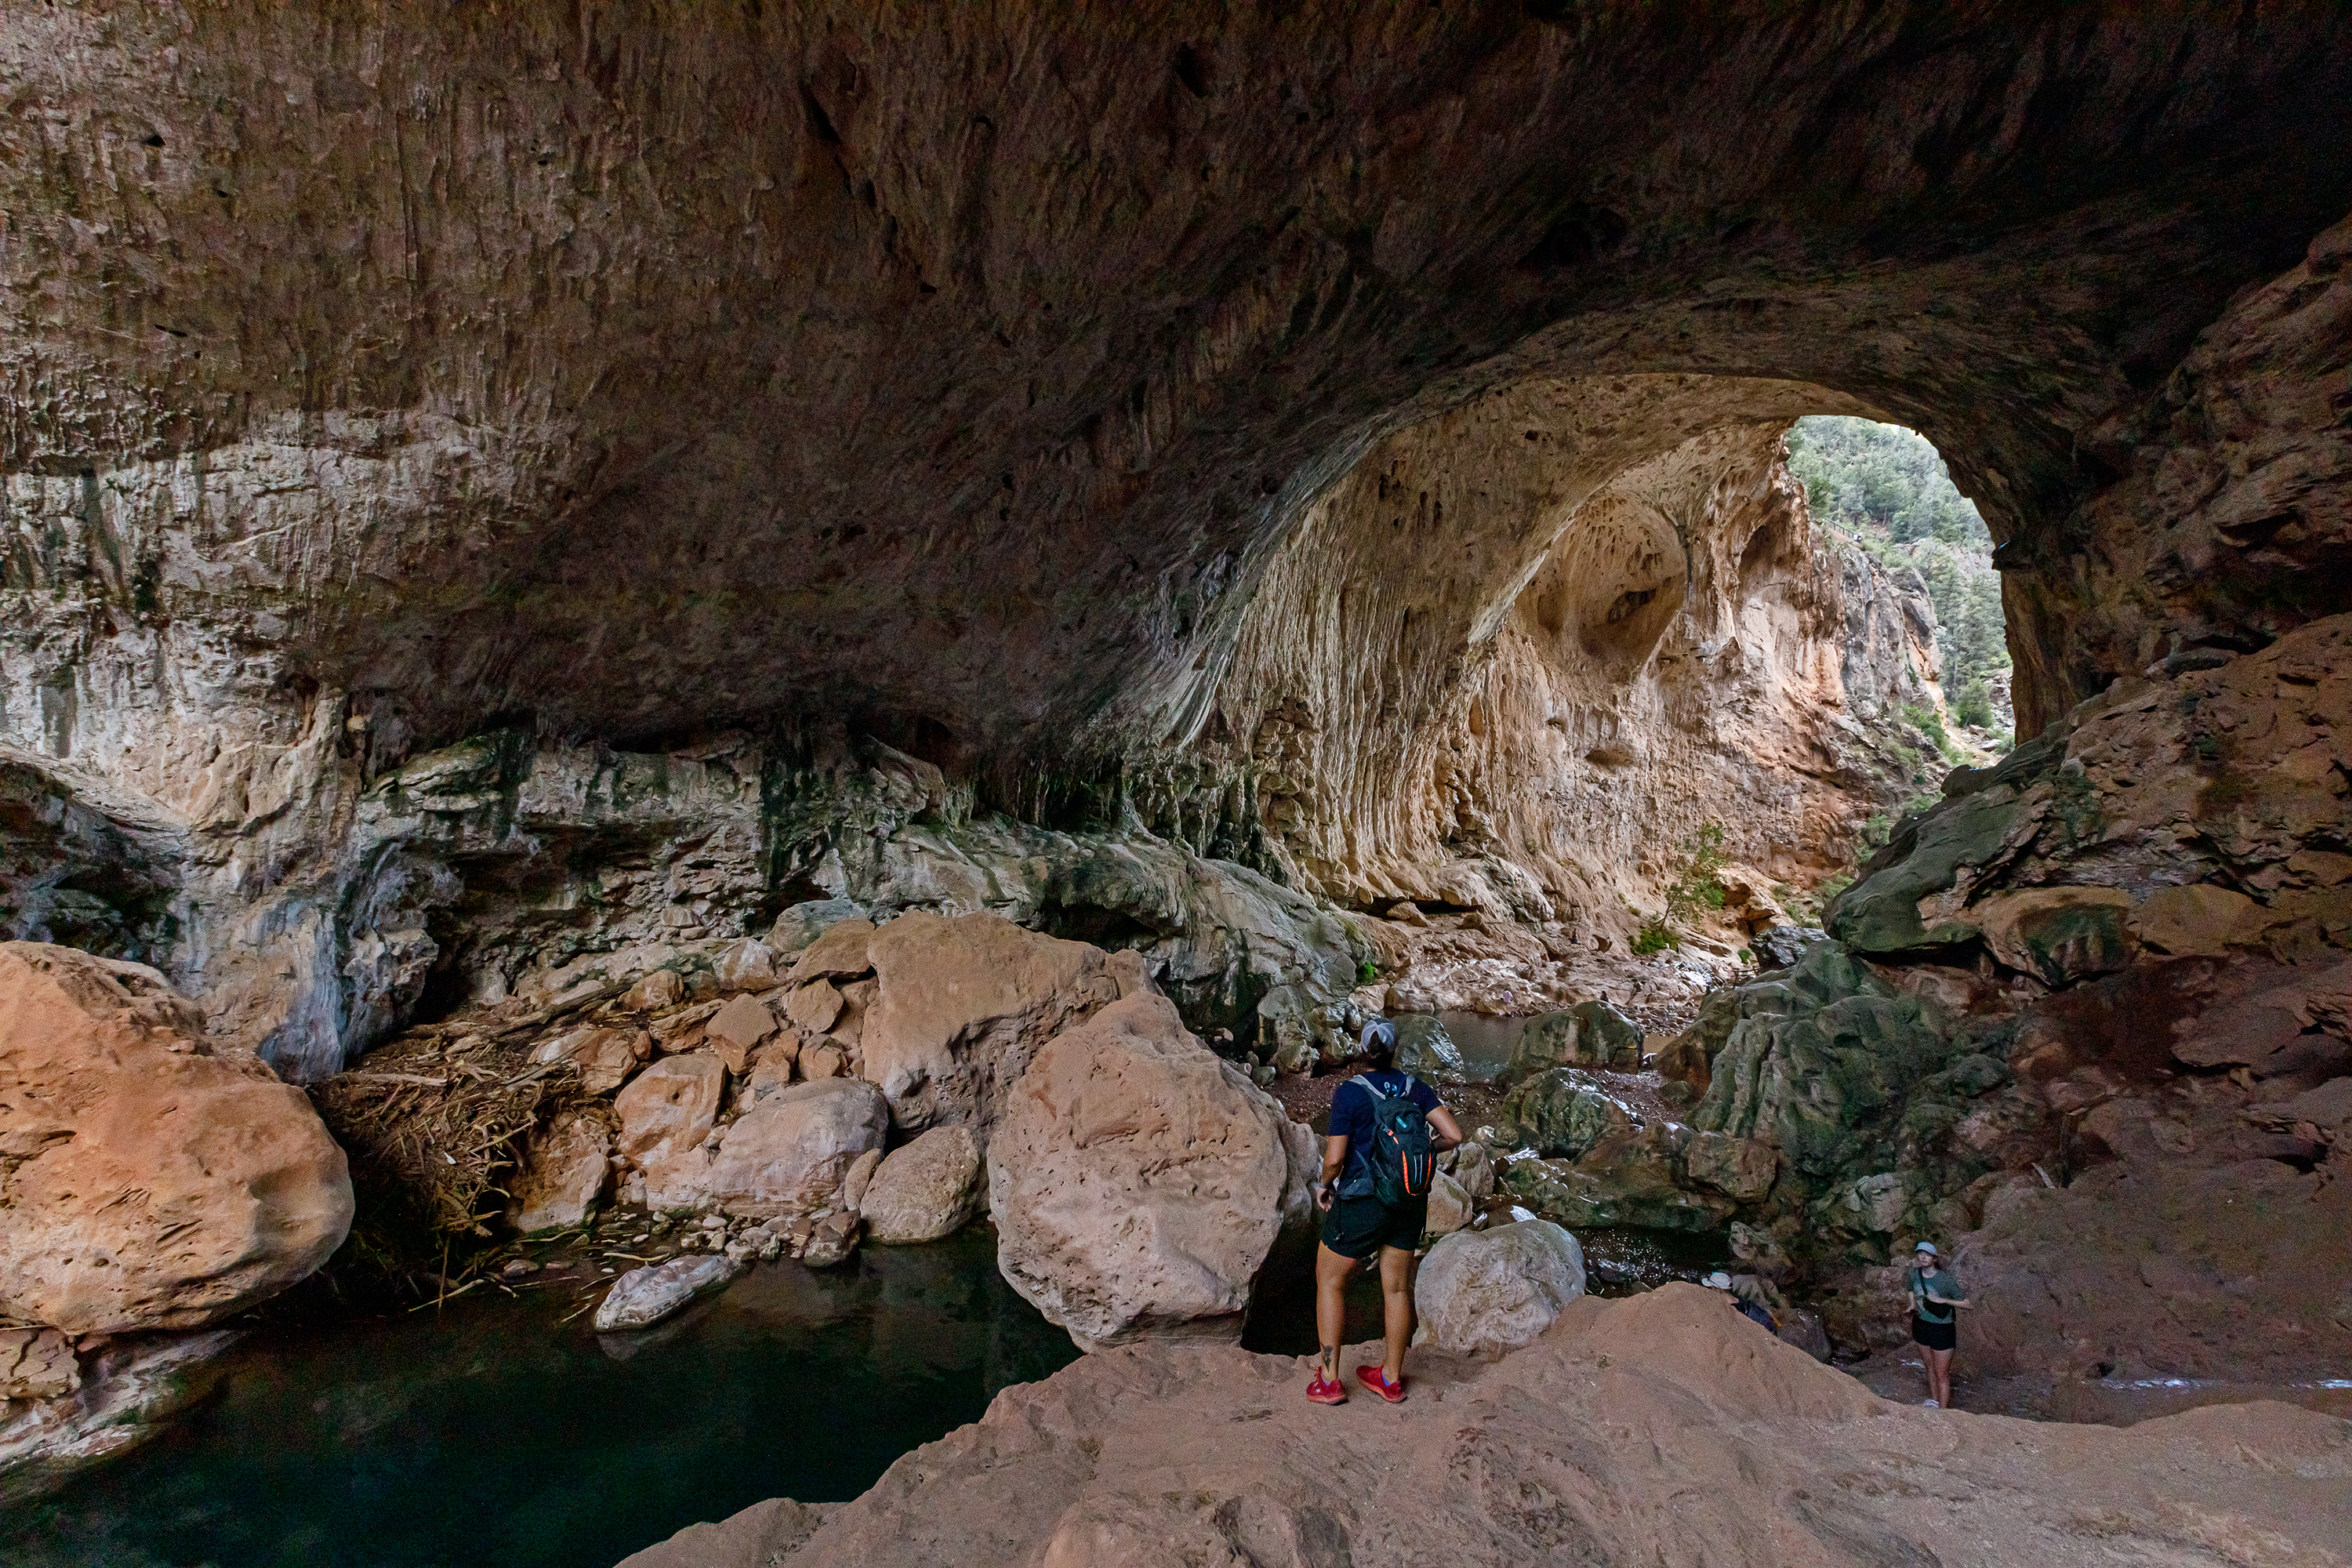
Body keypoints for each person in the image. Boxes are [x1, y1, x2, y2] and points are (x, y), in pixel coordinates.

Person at [1307, 1024, 1461, 1405]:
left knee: (1329, 1279)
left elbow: (1336, 1157)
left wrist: (1325, 1185)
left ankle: (1329, 1381)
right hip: (1408, 1200)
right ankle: (1390, 1378)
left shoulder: (1350, 1093)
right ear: (1394, 1051)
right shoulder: (1414, 1087)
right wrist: (1424, 1149)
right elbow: (1455, 1136)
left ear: (1362, 1051)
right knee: (1395, 1288)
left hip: (1363, 1201)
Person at [1906, 1241, 1973, 1409]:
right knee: (1929, 1366)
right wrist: (1912, 1305)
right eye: (1920, 1253)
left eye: (1927, 1254)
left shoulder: (1945, 1280)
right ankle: (1934, 1401)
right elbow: (1910, 1289)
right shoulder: (1914, 1274)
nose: (1923, 1257)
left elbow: (1968, 1304)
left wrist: (1943, 1300)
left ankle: (1943, 1413)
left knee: (1941, 1373)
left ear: (1934, 1258)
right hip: (1921, 1325)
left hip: (1942, 1329)